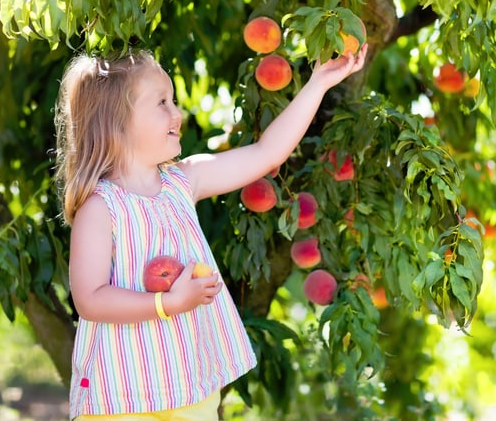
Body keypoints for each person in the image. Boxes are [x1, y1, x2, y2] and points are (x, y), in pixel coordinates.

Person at [54, 43, 368, 420]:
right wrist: (166, 304)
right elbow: (89, 299)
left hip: (190, 385)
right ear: (117, 121)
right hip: (124, 394)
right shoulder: (100, 208)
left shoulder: (183, 181)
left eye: (173, 101)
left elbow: (267, 153)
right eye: (162, 103)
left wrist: (318, 83)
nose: (178, 112)